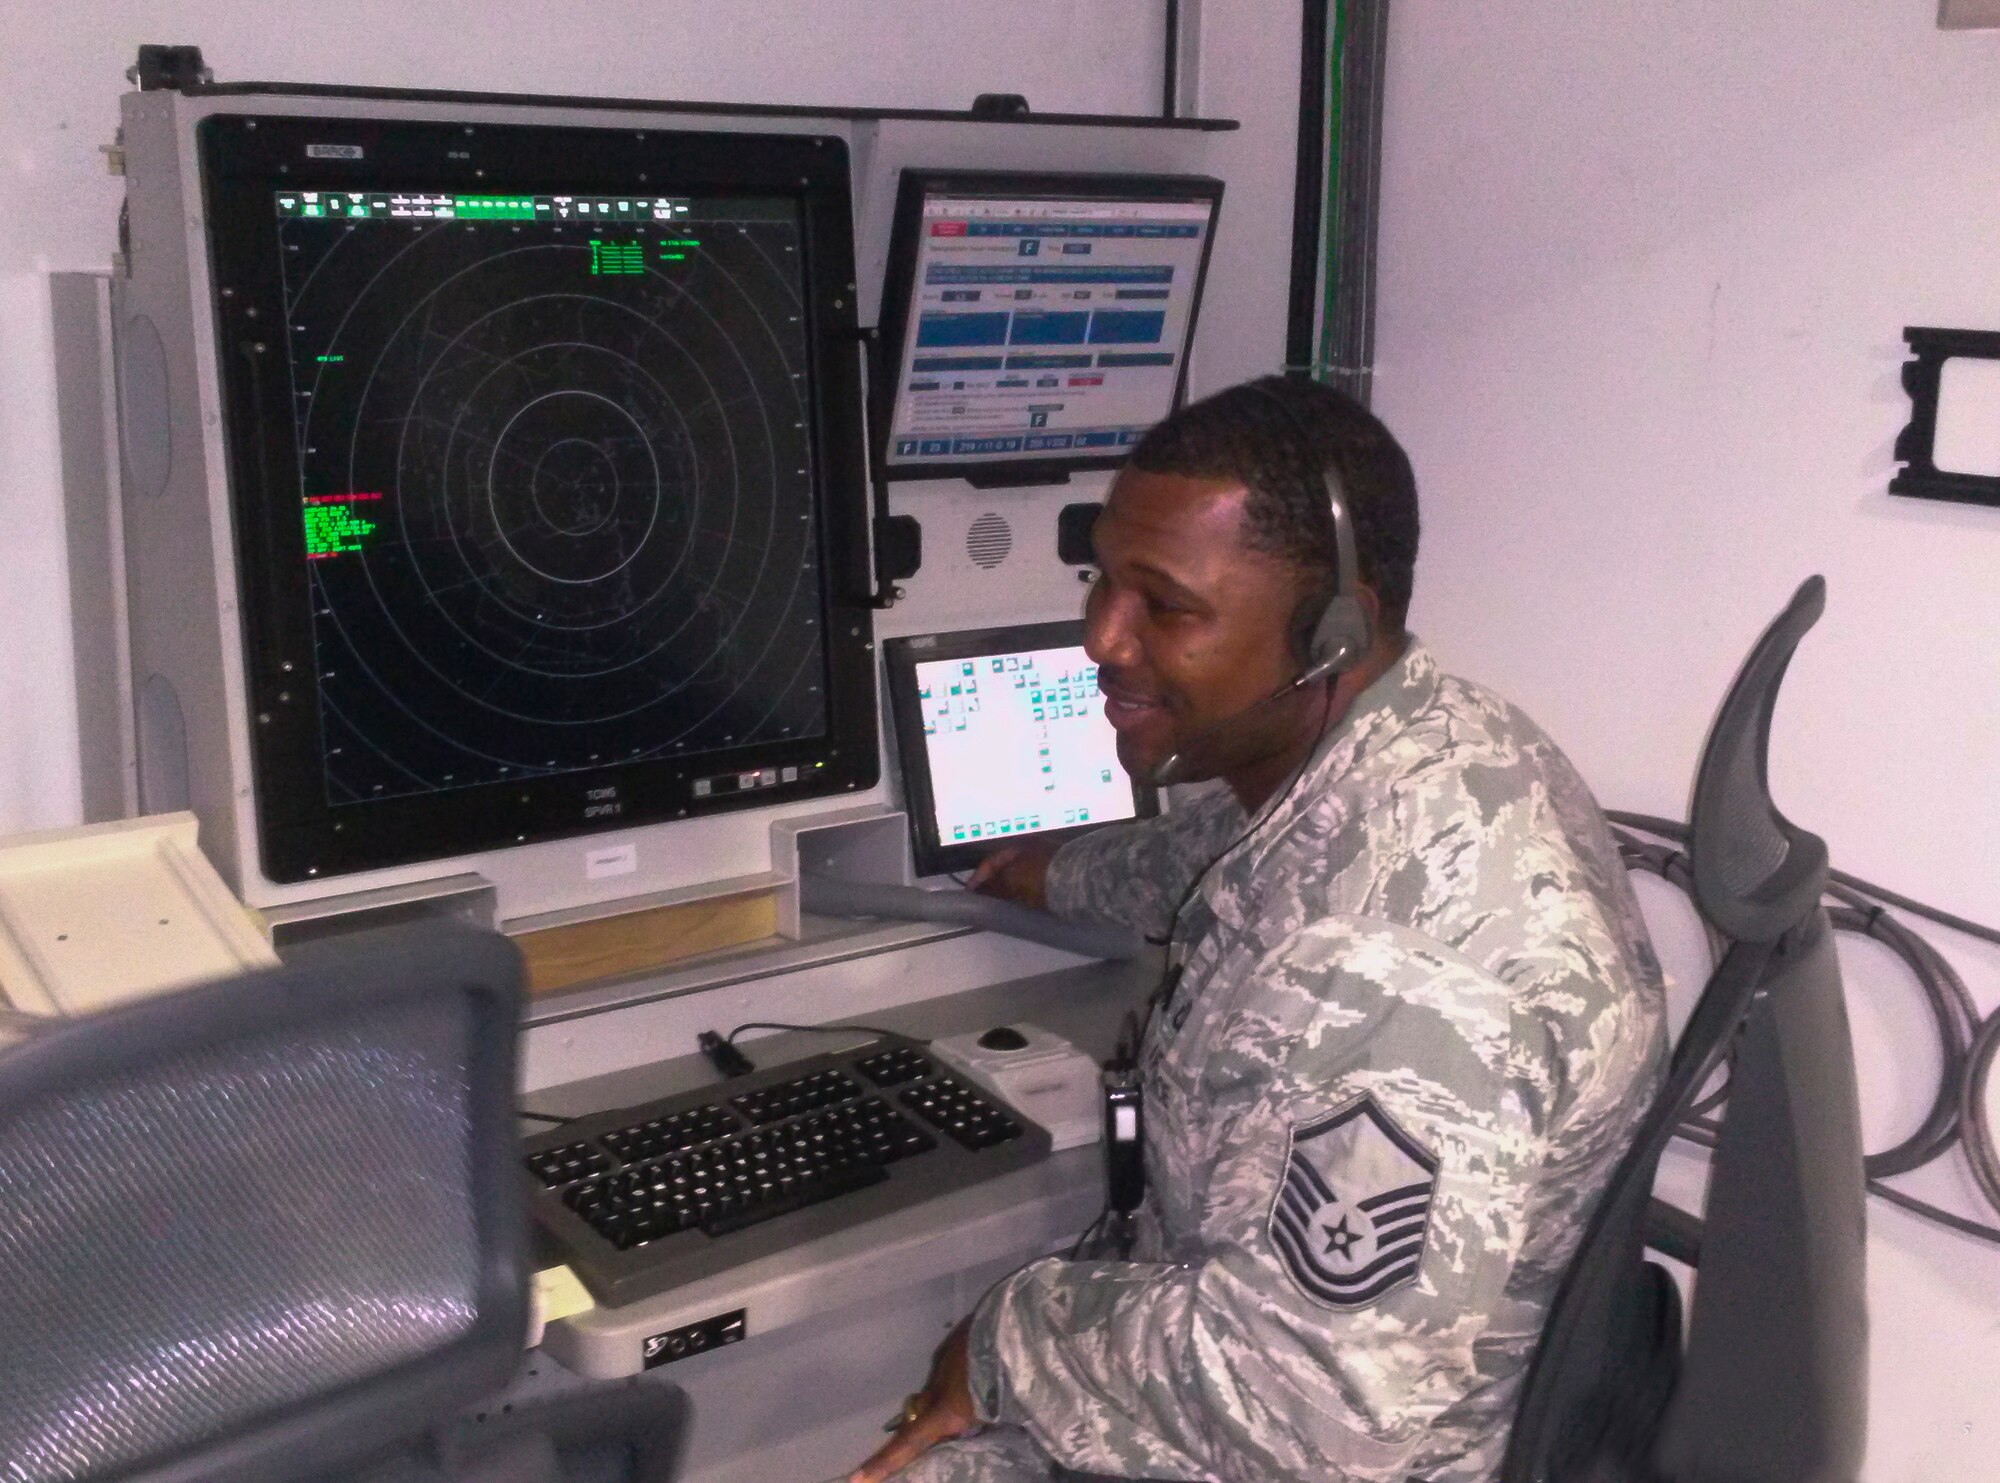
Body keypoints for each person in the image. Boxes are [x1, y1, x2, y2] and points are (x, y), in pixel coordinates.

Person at [849, 375, 1666, 1483]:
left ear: (1333, 634)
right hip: (1387, 1366)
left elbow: (1313, 1415)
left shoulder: (1384, 979)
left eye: (1164, 608)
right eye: (1100, 581)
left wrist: (1004, 1345)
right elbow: (1247, 856)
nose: (1099, 637)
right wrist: (1065, 873)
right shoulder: (1435, 740)